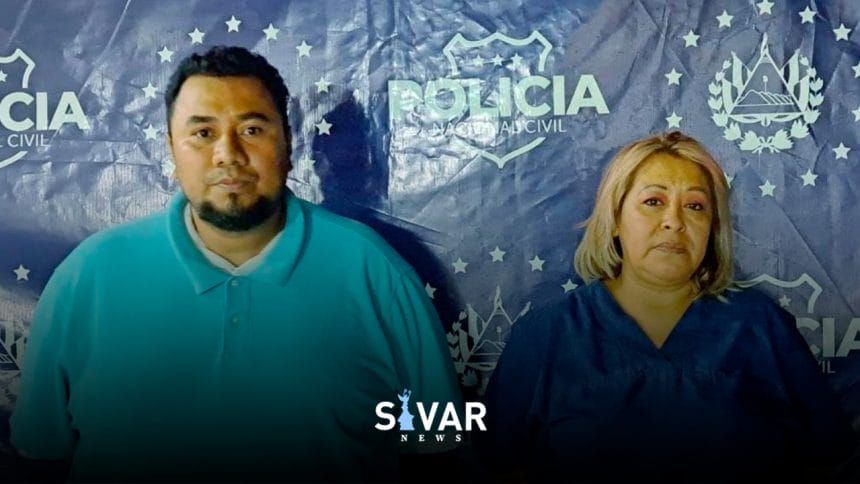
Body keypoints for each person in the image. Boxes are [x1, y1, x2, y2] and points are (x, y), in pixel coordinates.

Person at [10, 46, 462, 482]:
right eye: (203, 133)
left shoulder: (376, 272)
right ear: (172, 148)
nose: (228, 154)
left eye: (251, 129)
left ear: (287, 143)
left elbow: (437, 450)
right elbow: (41, 452)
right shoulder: (87, 277)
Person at [474, 132, 857, 482]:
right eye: (653, 201)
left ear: (713, 228)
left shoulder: (760, 326)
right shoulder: (546, 335)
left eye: (695, 206)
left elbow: (828, 455)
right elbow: (496, 466)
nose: (674, 221)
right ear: (615, 219)